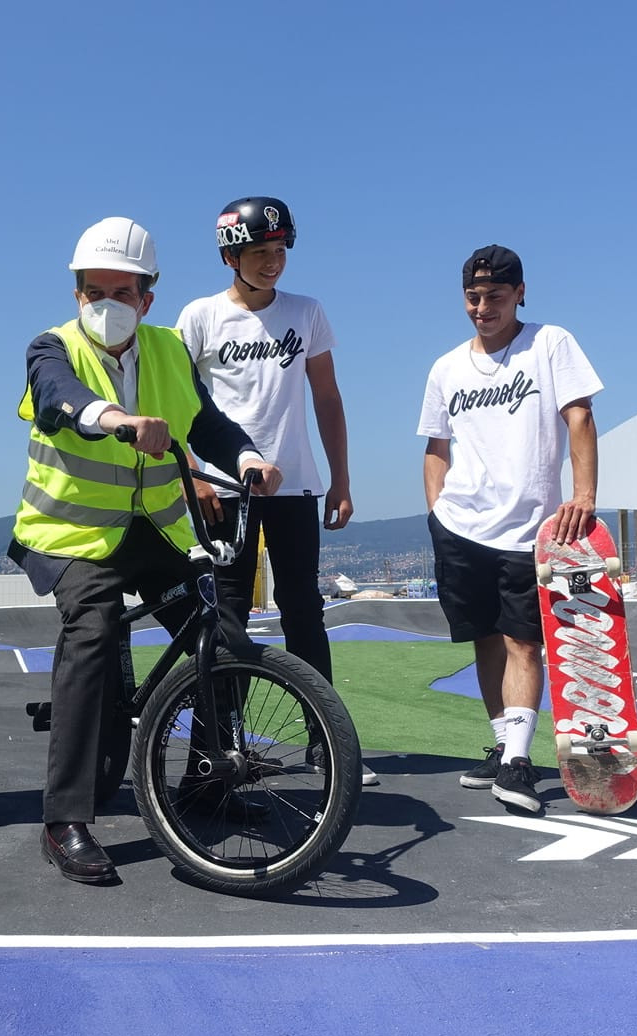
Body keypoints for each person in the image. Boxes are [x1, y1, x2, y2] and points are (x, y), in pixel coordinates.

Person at [11, 217, 280, 885]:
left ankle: (206, 781)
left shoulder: (169, 350)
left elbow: (206, 423)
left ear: (146, 299)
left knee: (223, 636)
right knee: (93, 631)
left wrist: (247, 457)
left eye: (121, 292)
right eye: (93, 291)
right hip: (72, 536)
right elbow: (61, 401)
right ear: (77, 294)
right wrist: (118, 420)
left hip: (156, 532)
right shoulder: (52, 347)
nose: (105, 303)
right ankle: (64, 820)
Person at [174, 196, 377, 788]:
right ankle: (220, 748)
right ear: (230, 256)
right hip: (223, 489)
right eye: (260, 251)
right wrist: (193, 472)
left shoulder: (307, 312)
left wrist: (341, 479)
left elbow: (328, 399)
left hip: (296, 488)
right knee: (229, 615)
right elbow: (176, 400)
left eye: (281, 250)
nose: (273, 262)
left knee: (303, 609)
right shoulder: (200, 317)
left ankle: (323, 743)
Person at [418, 245, 603, 813]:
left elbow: (580, 416)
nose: (483, 308)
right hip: (460, 526)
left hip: (530, 529)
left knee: (524, 640)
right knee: (484, 637)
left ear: (520, 293)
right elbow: (436, 446)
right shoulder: (446, 368)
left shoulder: (550, 344)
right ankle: (503, 748)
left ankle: (519, 763)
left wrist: (584, 496)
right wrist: (436, 512)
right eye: (473, 297)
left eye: (495, 296)